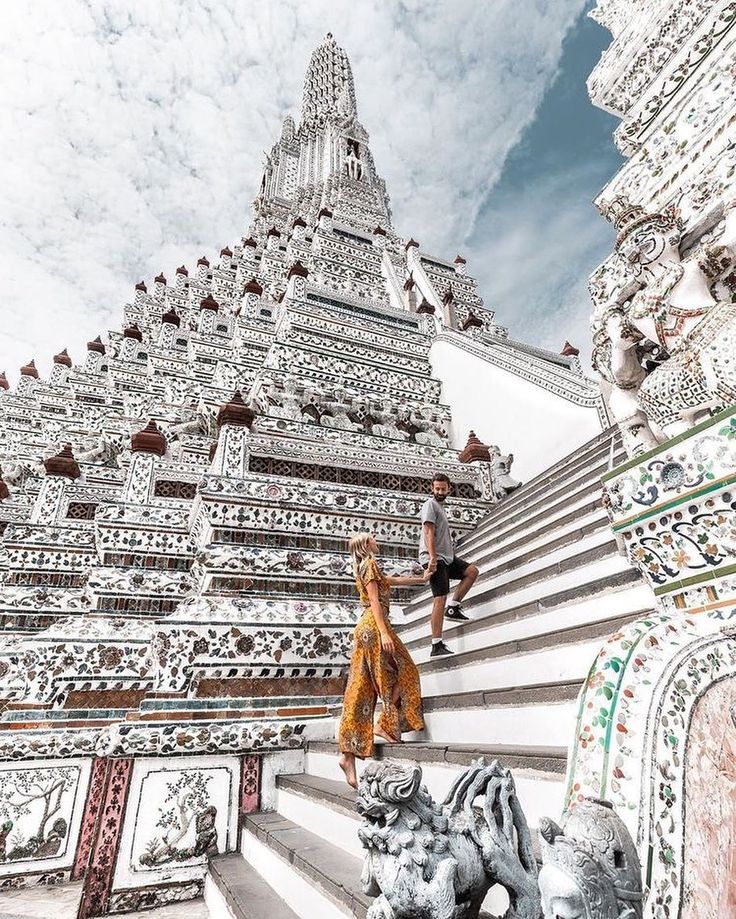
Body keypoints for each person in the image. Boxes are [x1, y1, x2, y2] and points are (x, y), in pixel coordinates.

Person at [338, 532, 430, 788]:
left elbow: (391, 581)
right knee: (406, 670)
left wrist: (420, 579)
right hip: (373, 626)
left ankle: (348, 756)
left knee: (361, 689)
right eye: (372, 537)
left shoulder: (366, 566)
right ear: (366, 545)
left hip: (366, 629)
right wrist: (383, 632)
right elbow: (375, 601)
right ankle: (386, 726)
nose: (376, 538)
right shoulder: (369, 563)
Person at [419, 472, 479, 657]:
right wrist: (432, 558)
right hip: (435, 558)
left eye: (443, 489)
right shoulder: (430, 505)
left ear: (448, 489)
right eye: (437, 488)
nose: (439, 491)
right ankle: (436, 644)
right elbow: (428, 532)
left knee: (472, 571)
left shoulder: (440, 507)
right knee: (439, 598)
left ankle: (453, 608)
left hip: (447, 557)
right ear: (432, 488)